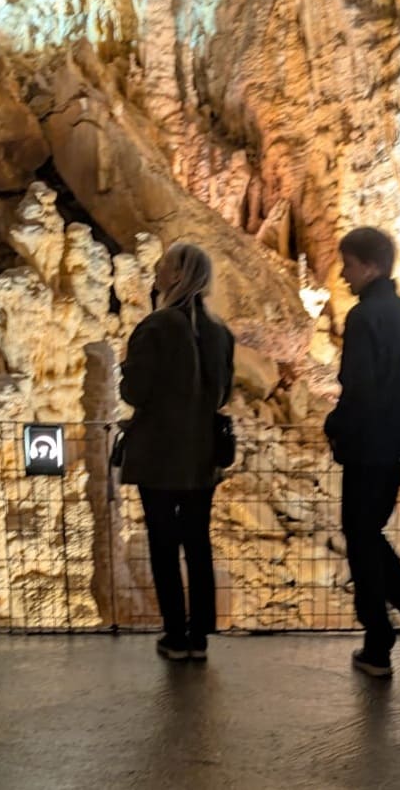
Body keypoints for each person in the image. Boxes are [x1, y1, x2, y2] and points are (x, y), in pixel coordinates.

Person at [324, 226, 400, 678]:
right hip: (398, 450)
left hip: (367, 448)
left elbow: (359, 389)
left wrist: (335, 428)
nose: (344, 274)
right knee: (367, 533)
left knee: (361, 538)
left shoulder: (364, 318)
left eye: (349, 265)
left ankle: (379, 644)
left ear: (371, 266)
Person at [120, 242, 235, 662]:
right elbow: (225, 392)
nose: (157, 269)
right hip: (202, 455)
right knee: (198, 542)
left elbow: (134, 391)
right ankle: (199, 636)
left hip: (159, 455)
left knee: (164, 545)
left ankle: (175, 634)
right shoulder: (220, 332)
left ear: (178, 276)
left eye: (164, 265)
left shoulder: (156, 326)